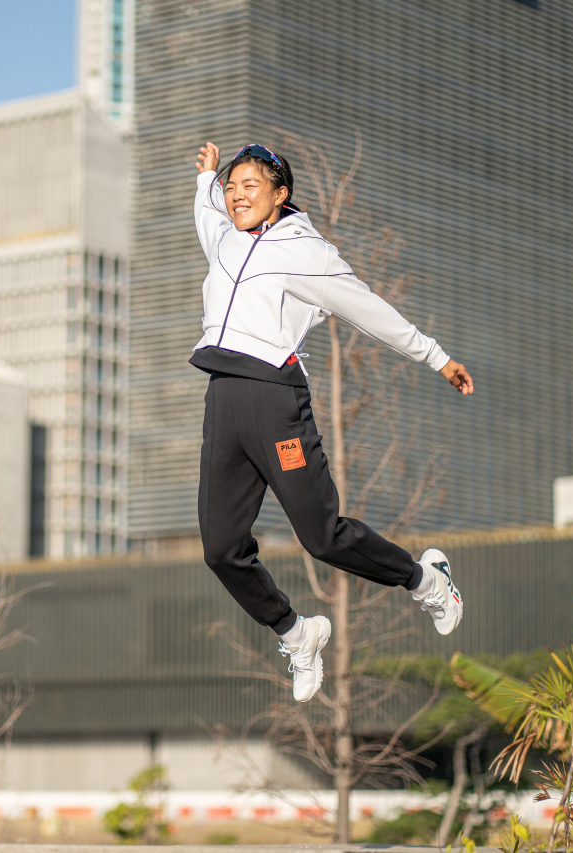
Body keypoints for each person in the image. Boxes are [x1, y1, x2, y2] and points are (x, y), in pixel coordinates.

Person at [190, 142, 473, 702]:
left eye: (251, 185)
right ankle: (297, 634)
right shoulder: (222, 236)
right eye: (231, 186)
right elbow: (206, 212)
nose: (237, 194)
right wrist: (205, 181)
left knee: (322, 536)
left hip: (275, 399)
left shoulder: (307, 251)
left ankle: (426, 580)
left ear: (280, 194)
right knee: (220, 549)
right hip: (223, 400)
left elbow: (366, 307)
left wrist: (435, 356)